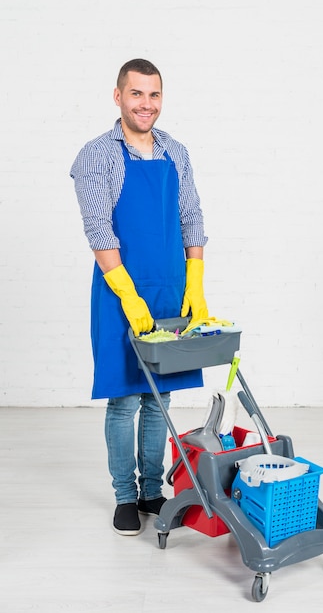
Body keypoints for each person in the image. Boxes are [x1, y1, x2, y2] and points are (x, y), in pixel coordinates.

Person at [70, 58, 209, 536]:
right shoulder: (97, 154)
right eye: (136, 94)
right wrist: (128, 296)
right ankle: (125, 497)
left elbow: (191, 216)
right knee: (126, 399)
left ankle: (153, 490)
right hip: (119, 289)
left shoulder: (176, 152)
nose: (146, 105)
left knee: (160, 398)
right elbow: (98, 229)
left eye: (154, 95)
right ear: (118, 97)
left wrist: (196, 279)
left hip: (170, 287)